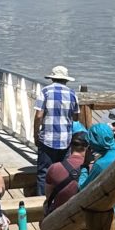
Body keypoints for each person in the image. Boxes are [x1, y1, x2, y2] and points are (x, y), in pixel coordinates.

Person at [34, 64, 78, 195]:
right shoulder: (72, 93)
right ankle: (61, 199)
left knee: (44, 172)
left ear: (52, 78)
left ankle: (42, 200)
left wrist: (36, 134)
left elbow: (39, 116)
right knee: (63, 170)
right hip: (66, 138)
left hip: (47, 138)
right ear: (66, 80)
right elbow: (76, 116)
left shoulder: (45, 91)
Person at [44, 123, 90, 213]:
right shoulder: (92, 168)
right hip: (84, 215)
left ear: (70, 146)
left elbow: (48, 196)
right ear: (88, 148)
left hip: (60, 216)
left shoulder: (54, 168)